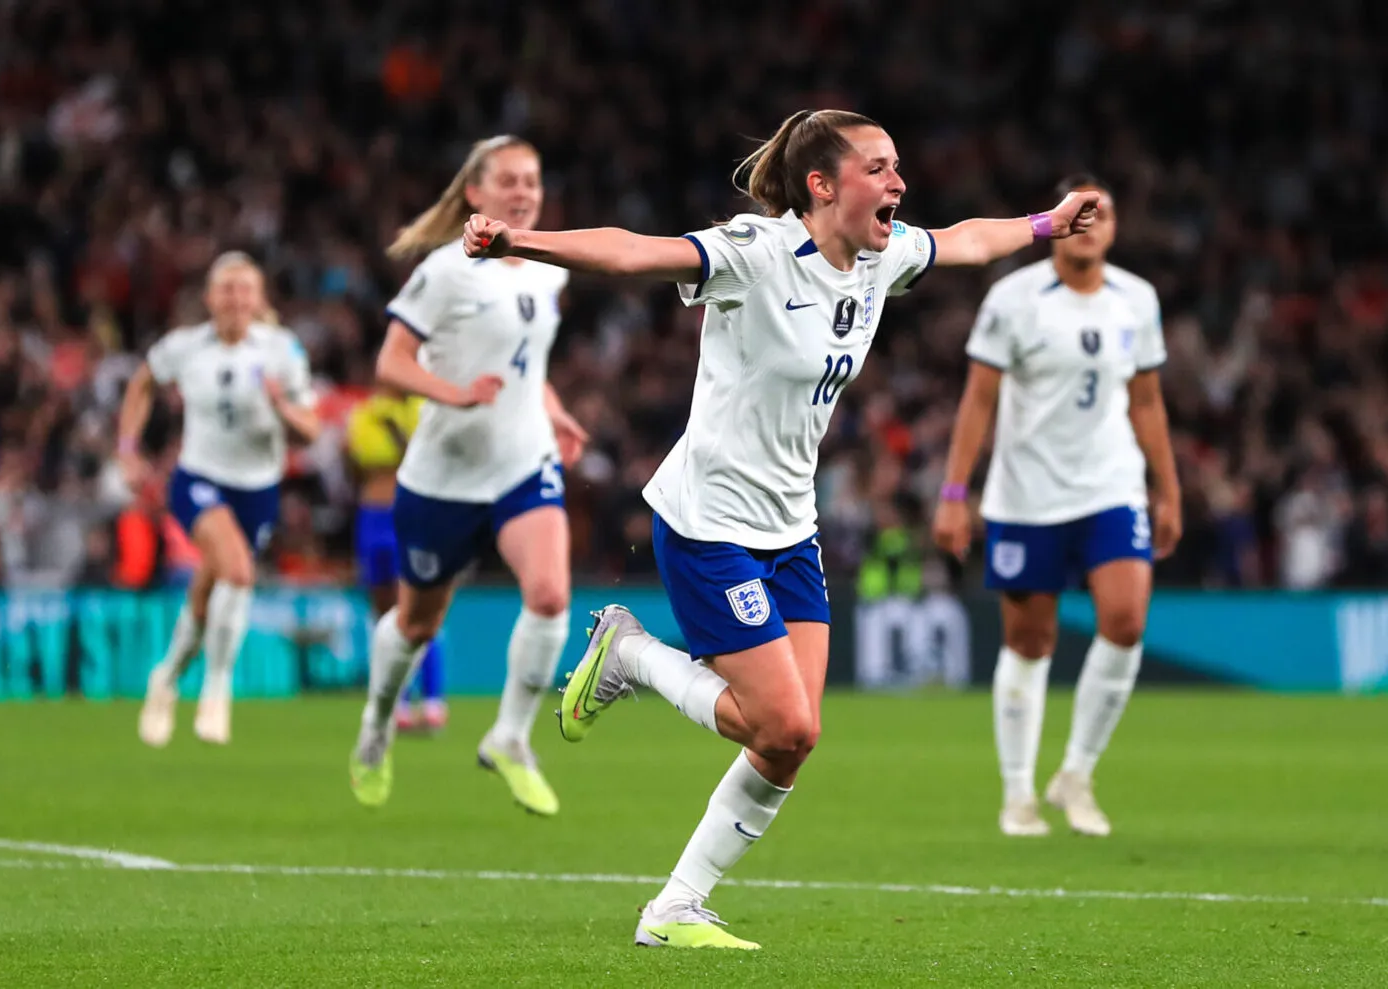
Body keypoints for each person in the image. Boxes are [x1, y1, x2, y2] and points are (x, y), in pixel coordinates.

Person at [463, 109, 1099, 949]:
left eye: (898, 166)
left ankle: (675, 905)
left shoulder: (884, 256)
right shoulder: (756, 253)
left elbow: (970, 240)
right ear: (823, 185)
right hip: (709, 521)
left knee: (795, 739)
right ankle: (633, 657)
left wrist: (1048, 223)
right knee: (783, 723)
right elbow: (634, 251)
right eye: (879, 168)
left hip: (789, 524)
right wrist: (520, 241)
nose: (899, 184)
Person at [931, 174, 1181, 838]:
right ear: (1062, 220)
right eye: (1082, 210)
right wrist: (956, 494)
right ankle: (1017, 792)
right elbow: (978, 399)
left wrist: (1169, 488)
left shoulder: (1137, 299)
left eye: (1105, 212)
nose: (1093, 222)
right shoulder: (1013, 298)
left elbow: (1148, 402)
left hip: (1111, 486)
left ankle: (1076, 773)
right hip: (1027, 493)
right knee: (1030, 640)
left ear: (1117, 227)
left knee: (1125, 621)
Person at [347, 135, 590, 818]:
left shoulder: (547, 269)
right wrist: (451, 394)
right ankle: (375, 725)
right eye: (508, 181)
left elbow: (525, 363)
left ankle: (510, 736)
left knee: (548, 593)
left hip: (522, 461)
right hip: (442, 475)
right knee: (419, 622)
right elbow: (391, 365)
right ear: (476, 194)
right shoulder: (445, 270)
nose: (523, 192)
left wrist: (555, 409)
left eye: (532, 181)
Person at [124, 252, 320, 746]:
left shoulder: (282, 351)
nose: (235, 299)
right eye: (226, 289)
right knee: (237, 570)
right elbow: (142, 382)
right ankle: (216, 690)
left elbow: (311, 429)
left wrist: (281, 408)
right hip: (198, 478)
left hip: (257, 488)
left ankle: (166, 677)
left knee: (209, 589)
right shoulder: (185, 347)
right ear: (209, 298)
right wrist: (128, 449)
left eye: (244, 289)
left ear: (258, 299)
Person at [346, 385, 448, 733]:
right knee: (383, 609)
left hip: (413, 514)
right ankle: (398, 703)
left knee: (420, 605)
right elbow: (363, 456)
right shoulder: (365, 413)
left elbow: (427, 456)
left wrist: (396, 431)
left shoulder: (427, 407)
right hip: (373, 518)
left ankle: (433, 700)